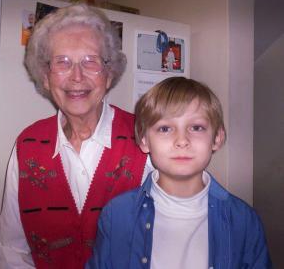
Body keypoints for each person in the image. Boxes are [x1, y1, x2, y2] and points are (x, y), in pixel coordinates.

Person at [0, 4, 151, 268]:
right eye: (62, 62)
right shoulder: (28, 145)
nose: (77, 76)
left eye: (90, 61)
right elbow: (10, 246)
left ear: (109, 75)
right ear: (45, 77)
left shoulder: (146, 138)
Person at [87, 76, 272, 268]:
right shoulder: (116, 215)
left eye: (196, 127)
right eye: (165, 128)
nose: (182, 140)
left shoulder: (243, 220)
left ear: (217, 138)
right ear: (144, 140)